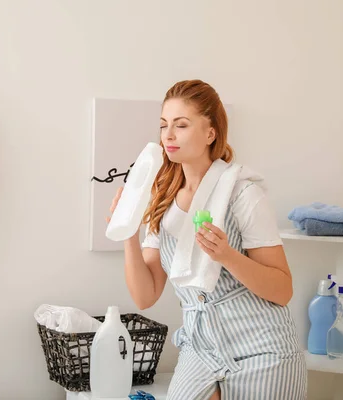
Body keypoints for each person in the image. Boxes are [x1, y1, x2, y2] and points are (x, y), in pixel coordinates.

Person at [107, 80, 307, 400]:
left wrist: (227, 255)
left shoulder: (243, 194)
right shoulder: (162, 201)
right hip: (200, 350)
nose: (168, 135)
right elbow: (146, 295)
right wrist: (128, 231)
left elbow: (282, 290)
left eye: (181, 125)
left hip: (263, 351)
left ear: (210, 133)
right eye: (163, 125)